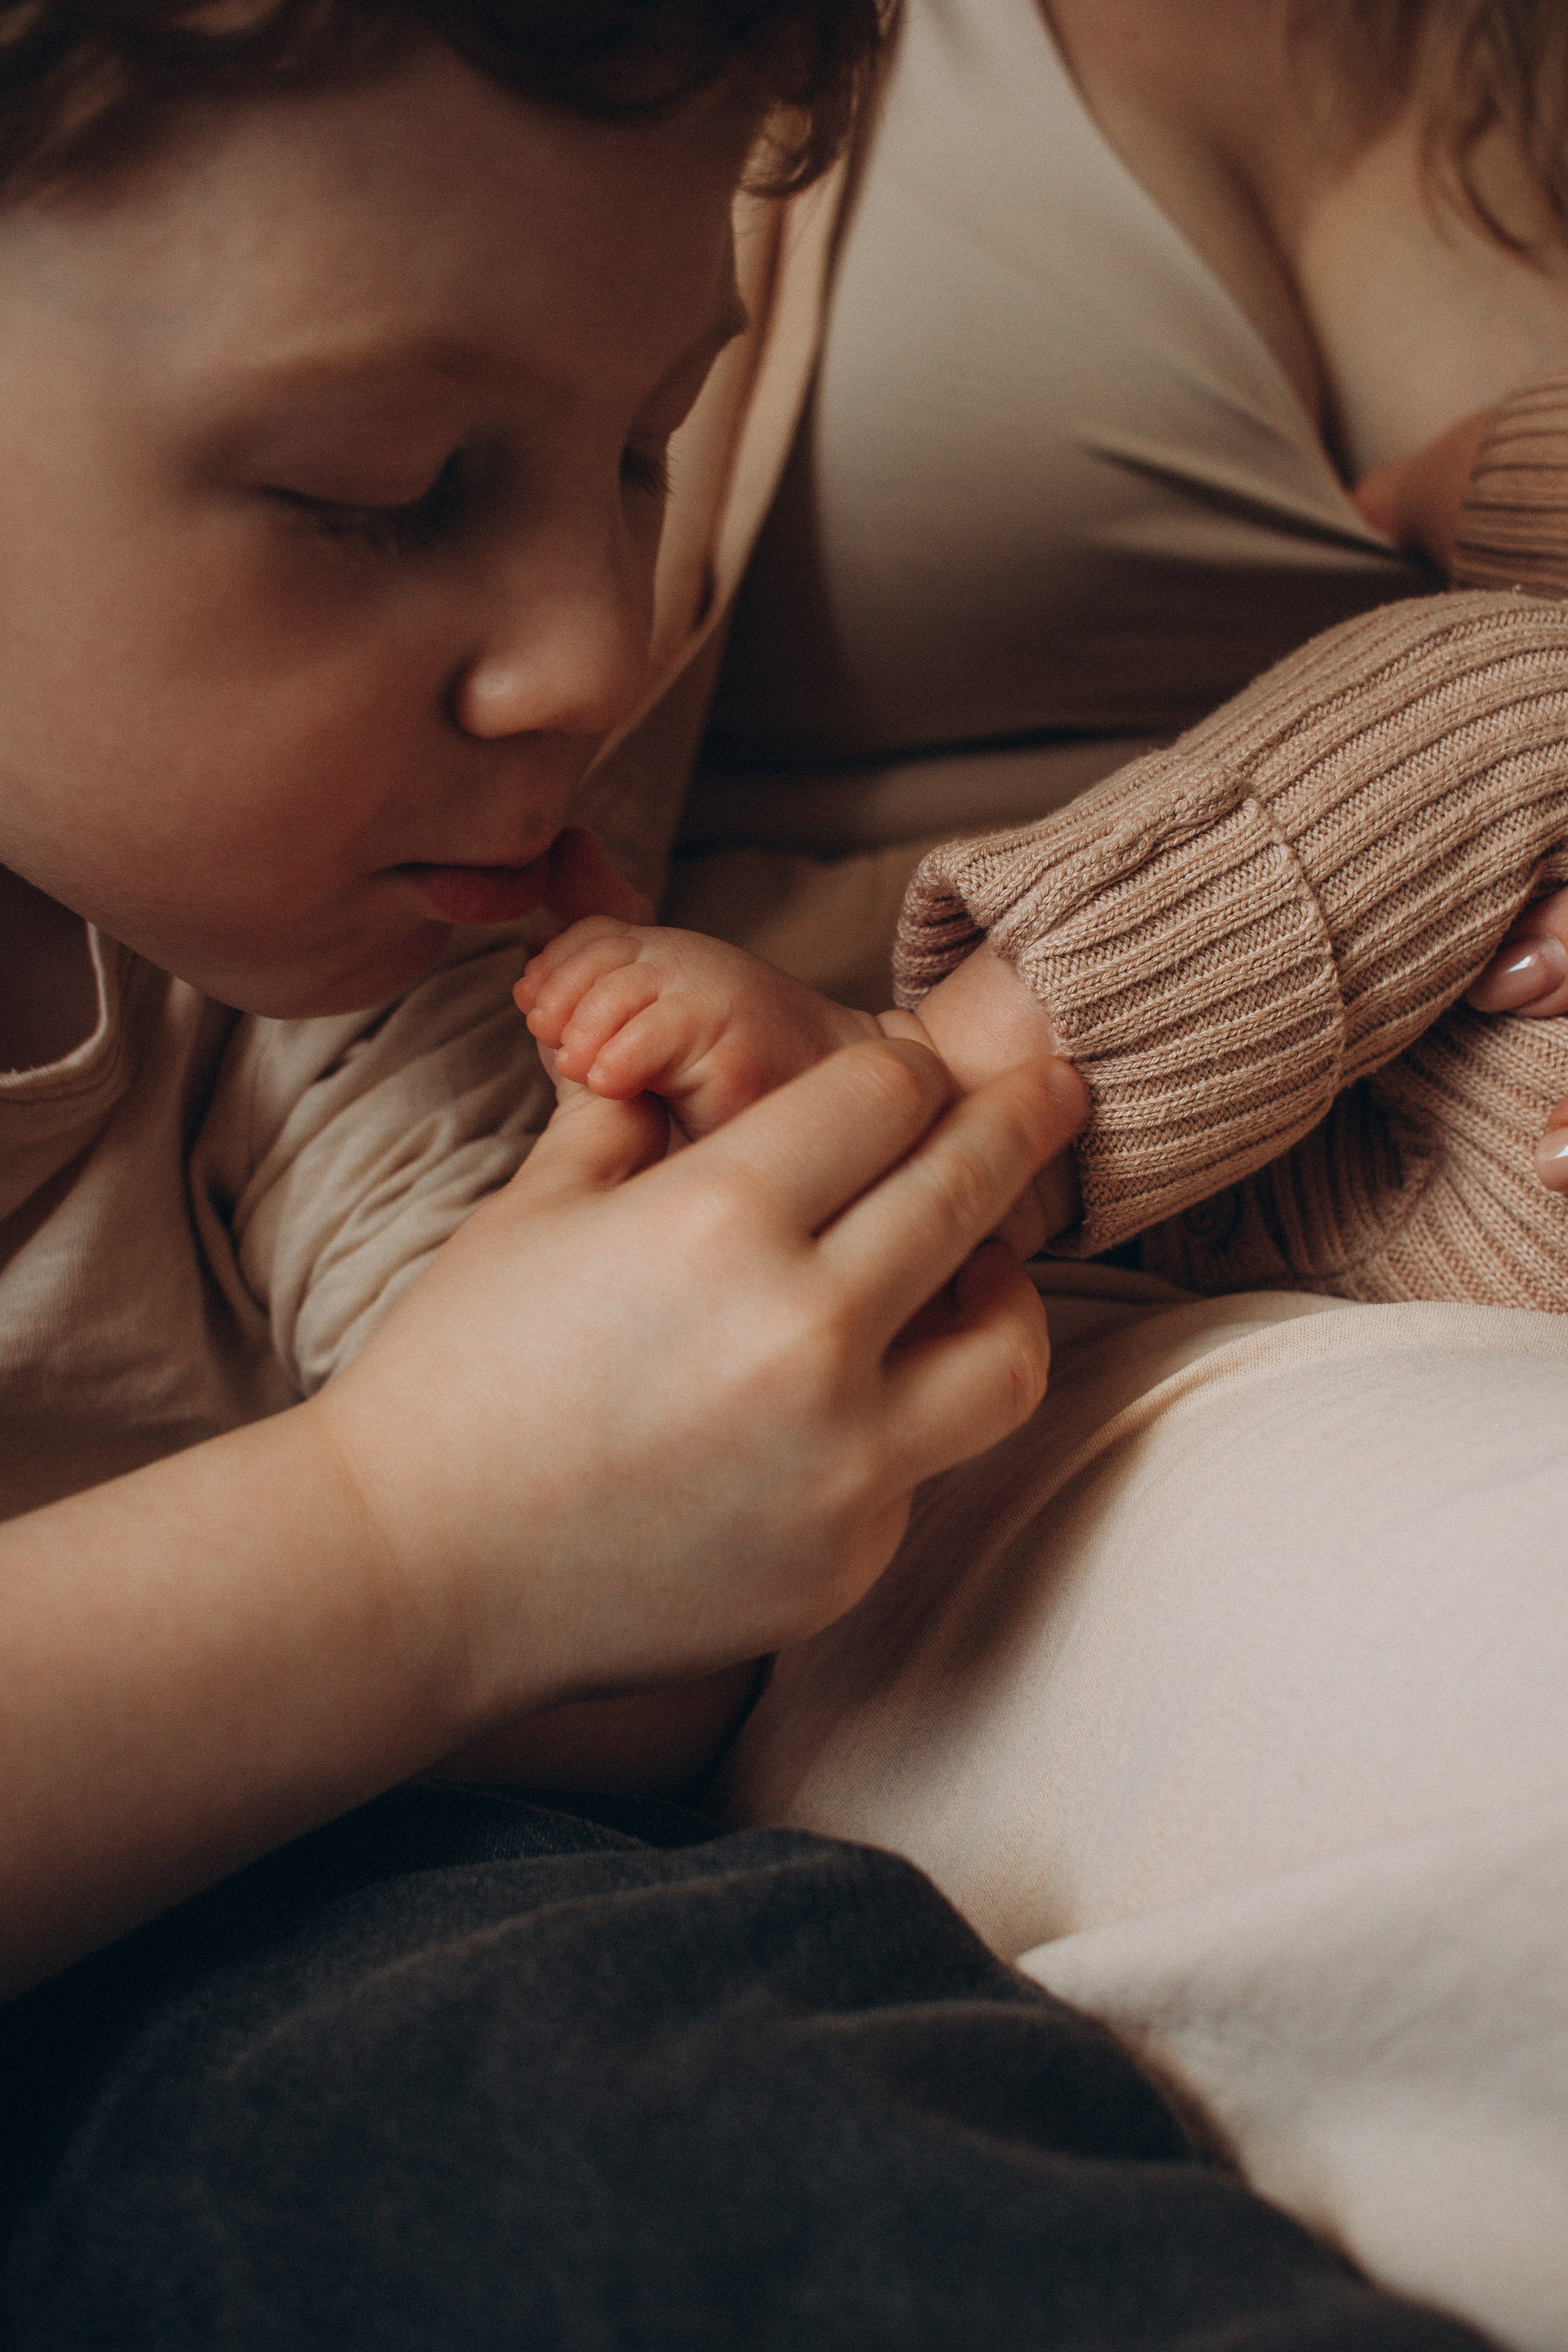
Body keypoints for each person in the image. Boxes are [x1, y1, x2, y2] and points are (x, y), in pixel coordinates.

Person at [1, 6, 1490, 2348]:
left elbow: (614, 1654)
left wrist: (719, 1275)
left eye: (640, 451)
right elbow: (462, 1560)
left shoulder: (314, 958)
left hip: (320, 1915)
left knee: (637, 2057)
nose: (598, 644)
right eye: (385, 487)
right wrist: (413, 1542)